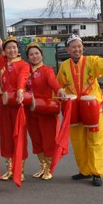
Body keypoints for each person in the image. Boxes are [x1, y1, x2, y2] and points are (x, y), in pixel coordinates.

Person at [56, 34, 103, 187]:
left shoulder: (92, 61)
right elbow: (59, 85)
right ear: (68, 49)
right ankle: (84, 171)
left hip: (92, 107)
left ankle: (96, 172)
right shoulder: (64, 66)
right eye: (74, 47)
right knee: (78, 141)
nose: (77, 49)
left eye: (79, 46)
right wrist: (60, 92)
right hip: (75, 107)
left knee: (95, 140)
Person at [0, 35, 31, 185]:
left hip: (18, 104)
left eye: (14, 47)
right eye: (9, 48)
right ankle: (9, 169)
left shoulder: (23, 65)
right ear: (5, 51)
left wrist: (20, 90)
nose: (12, 50)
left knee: (19, 137)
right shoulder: (2, 63)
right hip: (4, 105)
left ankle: (19, 171)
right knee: (6, 137)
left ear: (17, 49)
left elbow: (23, 77)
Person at [24, 42, 66, 180]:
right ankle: (42, 166)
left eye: (36, 53)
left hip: (46, 109)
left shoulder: (47, 70)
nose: (34, 56)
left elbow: (52, 81)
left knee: (48, 139)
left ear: (41, 55)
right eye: (31, 54)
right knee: (36, 139)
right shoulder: (25, 71)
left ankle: (49, 168)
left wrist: (59, 90)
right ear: (28, 57)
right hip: (31, 110)